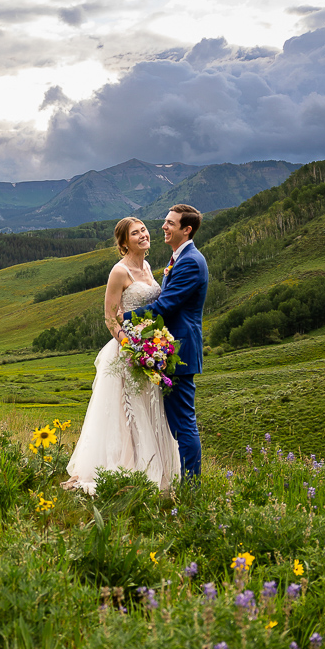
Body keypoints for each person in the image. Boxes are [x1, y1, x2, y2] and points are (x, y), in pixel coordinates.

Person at [60, 216, 181, 494]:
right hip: (128, 351)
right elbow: (110, 317)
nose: (143, 235)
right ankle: (128, 471)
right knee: (130, 413)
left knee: (153, 409)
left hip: (153, 348)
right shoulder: (119, 271)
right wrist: (130, 345)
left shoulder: (149, 266)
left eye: (144, 231)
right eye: (135, 234)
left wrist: (155, 343)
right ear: (124, 243)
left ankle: (157, 473)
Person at [121, 203, 209, 479]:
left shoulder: (191, 262)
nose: (163, 227)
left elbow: (165, 306)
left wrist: (126, 317)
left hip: (180, 351)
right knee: (175, 423)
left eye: (171, 223)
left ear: (187, 229)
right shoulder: (179, 258)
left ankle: (192, 488)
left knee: (183, 425)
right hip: (169, 349)